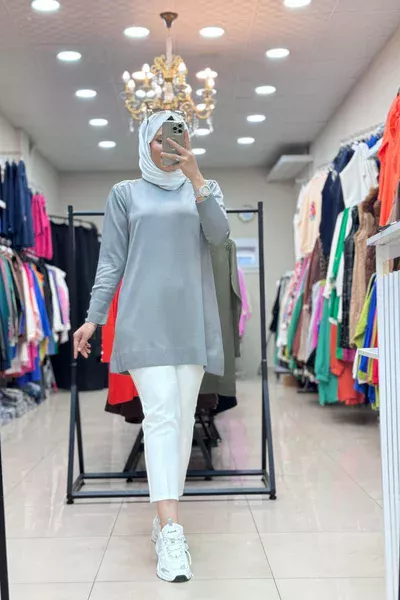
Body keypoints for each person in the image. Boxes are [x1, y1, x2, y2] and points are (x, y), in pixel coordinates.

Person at [73, 110, 229, 583]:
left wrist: (196, 177)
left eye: (176, 138)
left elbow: (219, 236)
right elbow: (111, 261)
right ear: (146, 143)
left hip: (192, 322)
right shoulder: (125, 194)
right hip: (143, 322)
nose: (168, 146)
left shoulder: (205, 189)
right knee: (161, 417)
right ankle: (173, 532)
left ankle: (164, 522)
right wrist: (93, 318)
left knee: (179, 425)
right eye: (159, 139)